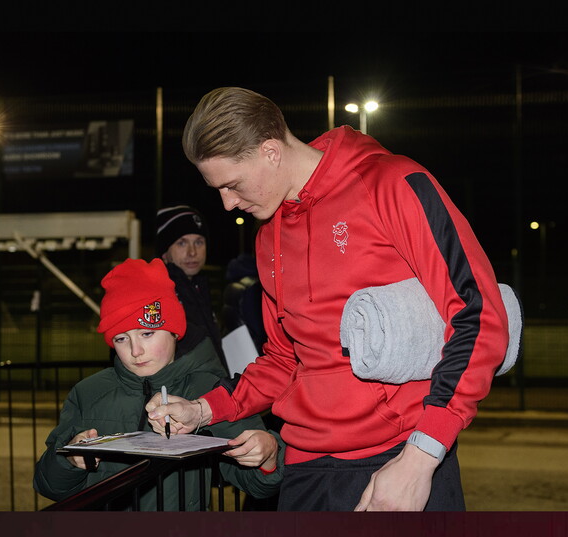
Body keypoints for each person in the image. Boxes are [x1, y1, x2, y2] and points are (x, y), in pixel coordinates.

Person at [147, 87, 509, 511]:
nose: (228, 204)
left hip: (401, 461)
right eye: (218, 190)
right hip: (305, 470)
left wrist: (421, 457)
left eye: (232, 184)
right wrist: (203, 410)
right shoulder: (268, 239)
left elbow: (480, 315)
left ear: (270, 151)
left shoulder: (392, 183)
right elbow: (286, 360)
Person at [33, 258, 283, 510]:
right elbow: (50, 486)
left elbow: (259, 484)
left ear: (174, 331)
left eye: (147, 333)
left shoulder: (209, 393)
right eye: (121, 338)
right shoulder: (88, 393)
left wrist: (269, 453)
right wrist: (69, 461)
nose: (135, 350)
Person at [155, 205, 227, 367]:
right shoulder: (159, 295)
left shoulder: (199, 288)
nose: (192, 252)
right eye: (182, 243)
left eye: (199, 242)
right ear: (165, 253)